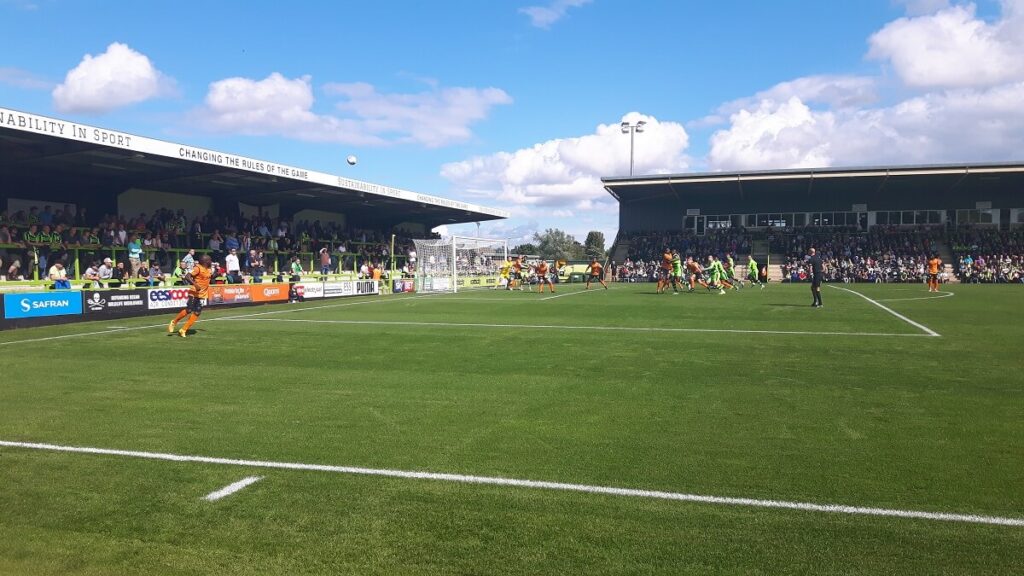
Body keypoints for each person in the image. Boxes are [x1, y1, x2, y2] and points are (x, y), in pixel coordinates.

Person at [168, 254, 214, 338]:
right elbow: (187, 276)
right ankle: (174, 322)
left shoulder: (209, 269)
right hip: (194, 292)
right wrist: (195, 284)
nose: (211, 261)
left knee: (197, 312)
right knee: (189, 310)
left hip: (203, 294)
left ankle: (183, 330)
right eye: (209, 260)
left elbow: (211, 278)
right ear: (205, 261)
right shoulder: (198, 268)